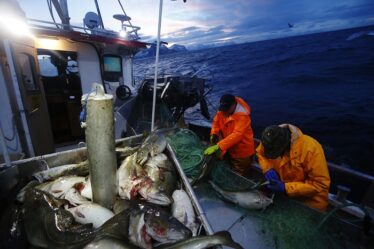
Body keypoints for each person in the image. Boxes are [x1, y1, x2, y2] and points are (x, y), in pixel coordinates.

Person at [256, 124, 331, 211]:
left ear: (285, 146)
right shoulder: (270, 138)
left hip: (309, 204)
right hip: (284, 198)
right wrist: (267, 169)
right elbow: (260, 153)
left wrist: (286, 188)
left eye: (276, 154)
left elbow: (320, 184)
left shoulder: (311, 149)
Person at [204, 94, 255, 176]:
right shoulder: (223, 110)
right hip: (228, 147)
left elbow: (237, 135)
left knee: (239, 174)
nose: (224, 111)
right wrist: (214, 133)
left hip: (242, 153)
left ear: (234, 105)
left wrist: (219, 146)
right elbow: (216, 122)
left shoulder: (243, 117)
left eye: (227, 109)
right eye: (223, 109)